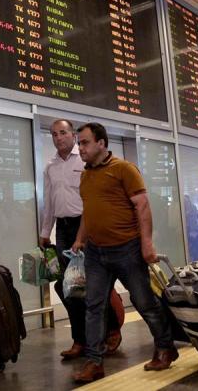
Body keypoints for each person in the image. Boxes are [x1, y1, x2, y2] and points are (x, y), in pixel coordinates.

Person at [70, 123, 176, 383]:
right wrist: (80, 238)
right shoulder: (85, 175)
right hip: (95, 252)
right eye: (79, 143)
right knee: (94, 306)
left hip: (126, 248)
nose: (80, 148)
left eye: (84, 142)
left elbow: (142, 206)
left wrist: (147, 243)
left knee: (144, 302)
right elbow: (89, 211)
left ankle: (165, 347)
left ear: (101, 143)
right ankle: (94, 362)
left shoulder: (124, 169)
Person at [38, 119, 122, 360]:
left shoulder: (85, 160)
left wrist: (84, 234)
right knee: (69, 287)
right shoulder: (50, 166)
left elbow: (93, 199)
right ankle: (80, 340)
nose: (58, 138)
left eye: (63, 133)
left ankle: (111, 330)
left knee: (93, 283)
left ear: (73, 135)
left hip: (87, 224)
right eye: (54, 134)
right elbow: (49, 202)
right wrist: (45, 232)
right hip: (63, 229)